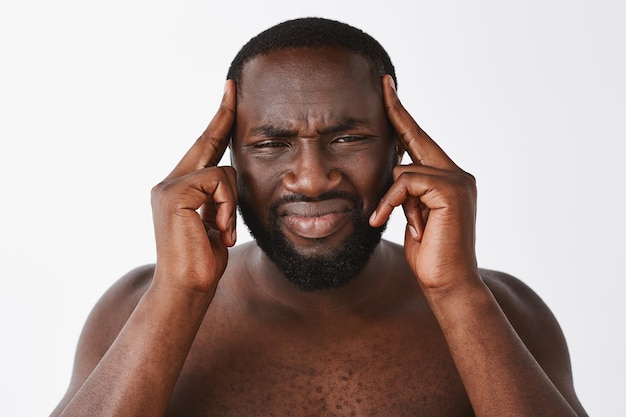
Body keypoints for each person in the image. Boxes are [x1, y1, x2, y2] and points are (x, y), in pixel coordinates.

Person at [50, 17, 588, 416]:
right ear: (226, 163)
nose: (311, 177)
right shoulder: (136, 308)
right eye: (271, 144)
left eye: (348, 138)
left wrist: (456, 292)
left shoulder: (503, 311)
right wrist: (178, 296)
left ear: (401, 152)